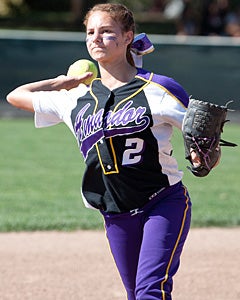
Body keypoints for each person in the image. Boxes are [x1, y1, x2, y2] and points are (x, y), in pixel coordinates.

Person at [7, 3, 193, 300]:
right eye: (90, 32)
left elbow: (200, 133)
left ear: (128, 36)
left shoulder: (159, 89)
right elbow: (15, 96)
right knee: (135, 294)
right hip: (115, 212)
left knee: (150, 292)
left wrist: (203, 153)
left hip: (162, 202)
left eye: (107, 32)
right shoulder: (74, 98)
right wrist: (61, 82)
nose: (96, 38)